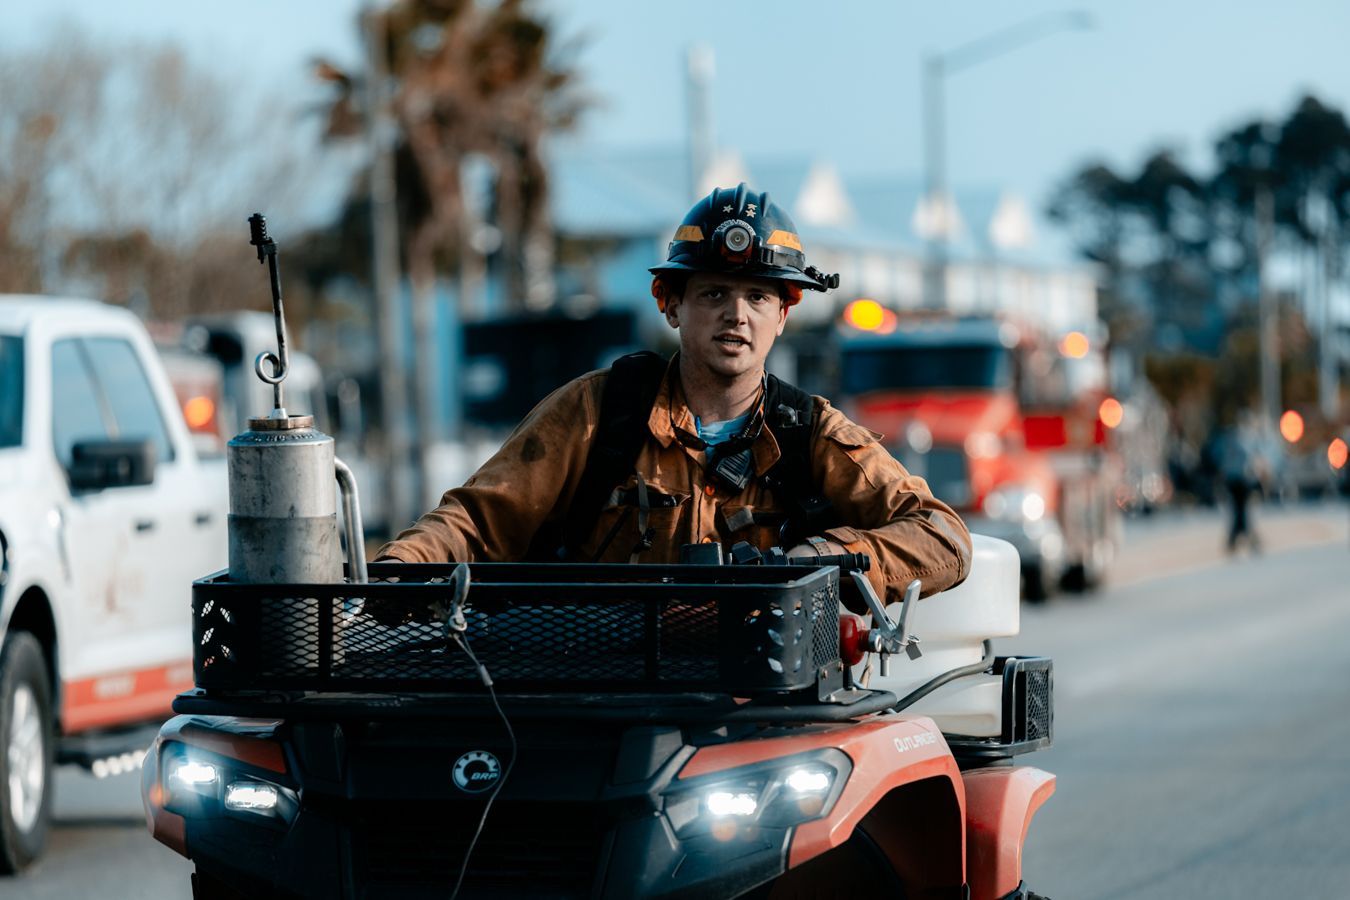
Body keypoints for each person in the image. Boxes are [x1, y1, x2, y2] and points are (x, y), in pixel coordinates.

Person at [377, 184, 972, 604]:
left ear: (784, 315)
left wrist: (822, 561)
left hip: (761, 706)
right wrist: (399, 571)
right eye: (713, 294)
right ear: (671, 304)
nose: (736, 315)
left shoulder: (809, 432)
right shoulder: (596, 412)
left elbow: (943, 536)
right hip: (604, 694)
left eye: (759, 297)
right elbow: (477, 521)